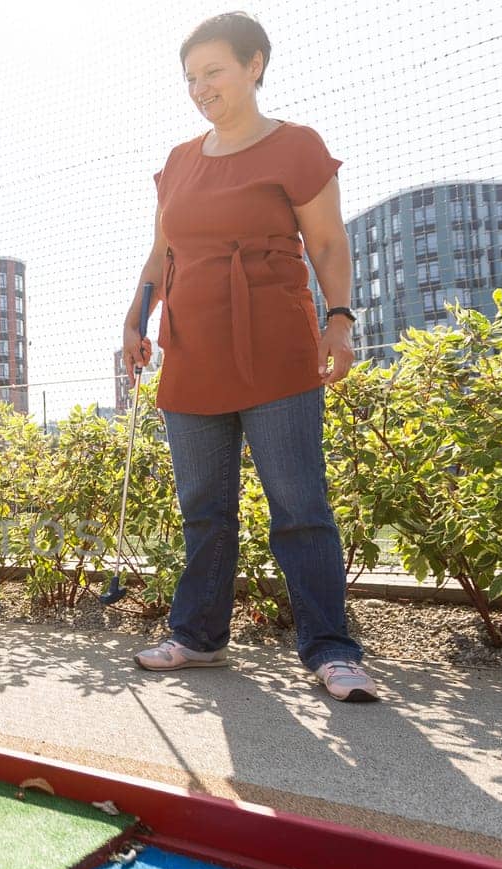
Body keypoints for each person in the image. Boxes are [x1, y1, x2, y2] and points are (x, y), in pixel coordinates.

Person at [121, 12, 377, 702]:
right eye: (191, 78)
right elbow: (161, 252)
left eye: (214, 72)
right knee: (204, 506)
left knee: (298, 504)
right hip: (192, 349)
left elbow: (326, 244)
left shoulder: (297, 146)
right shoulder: (178, 162)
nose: (200, 88)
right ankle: (199, 637)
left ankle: (331, 650)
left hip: (277, 347)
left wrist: (341, 320)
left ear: (255, 64)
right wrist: (135, 316)